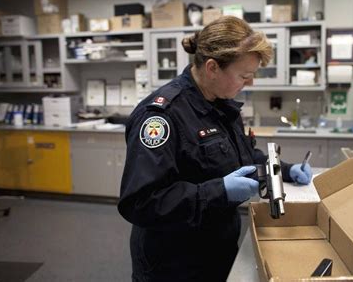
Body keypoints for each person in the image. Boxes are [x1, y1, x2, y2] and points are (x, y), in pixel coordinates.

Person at [118, 16, 313, 282]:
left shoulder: (220, 103)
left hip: (215, 249)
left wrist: (285, 170)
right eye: (244, 76)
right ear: (212, 68)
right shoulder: (162, 116)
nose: (250, 83)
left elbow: (241, 155)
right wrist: (218, 191)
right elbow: (140, 203)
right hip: (174, 263)